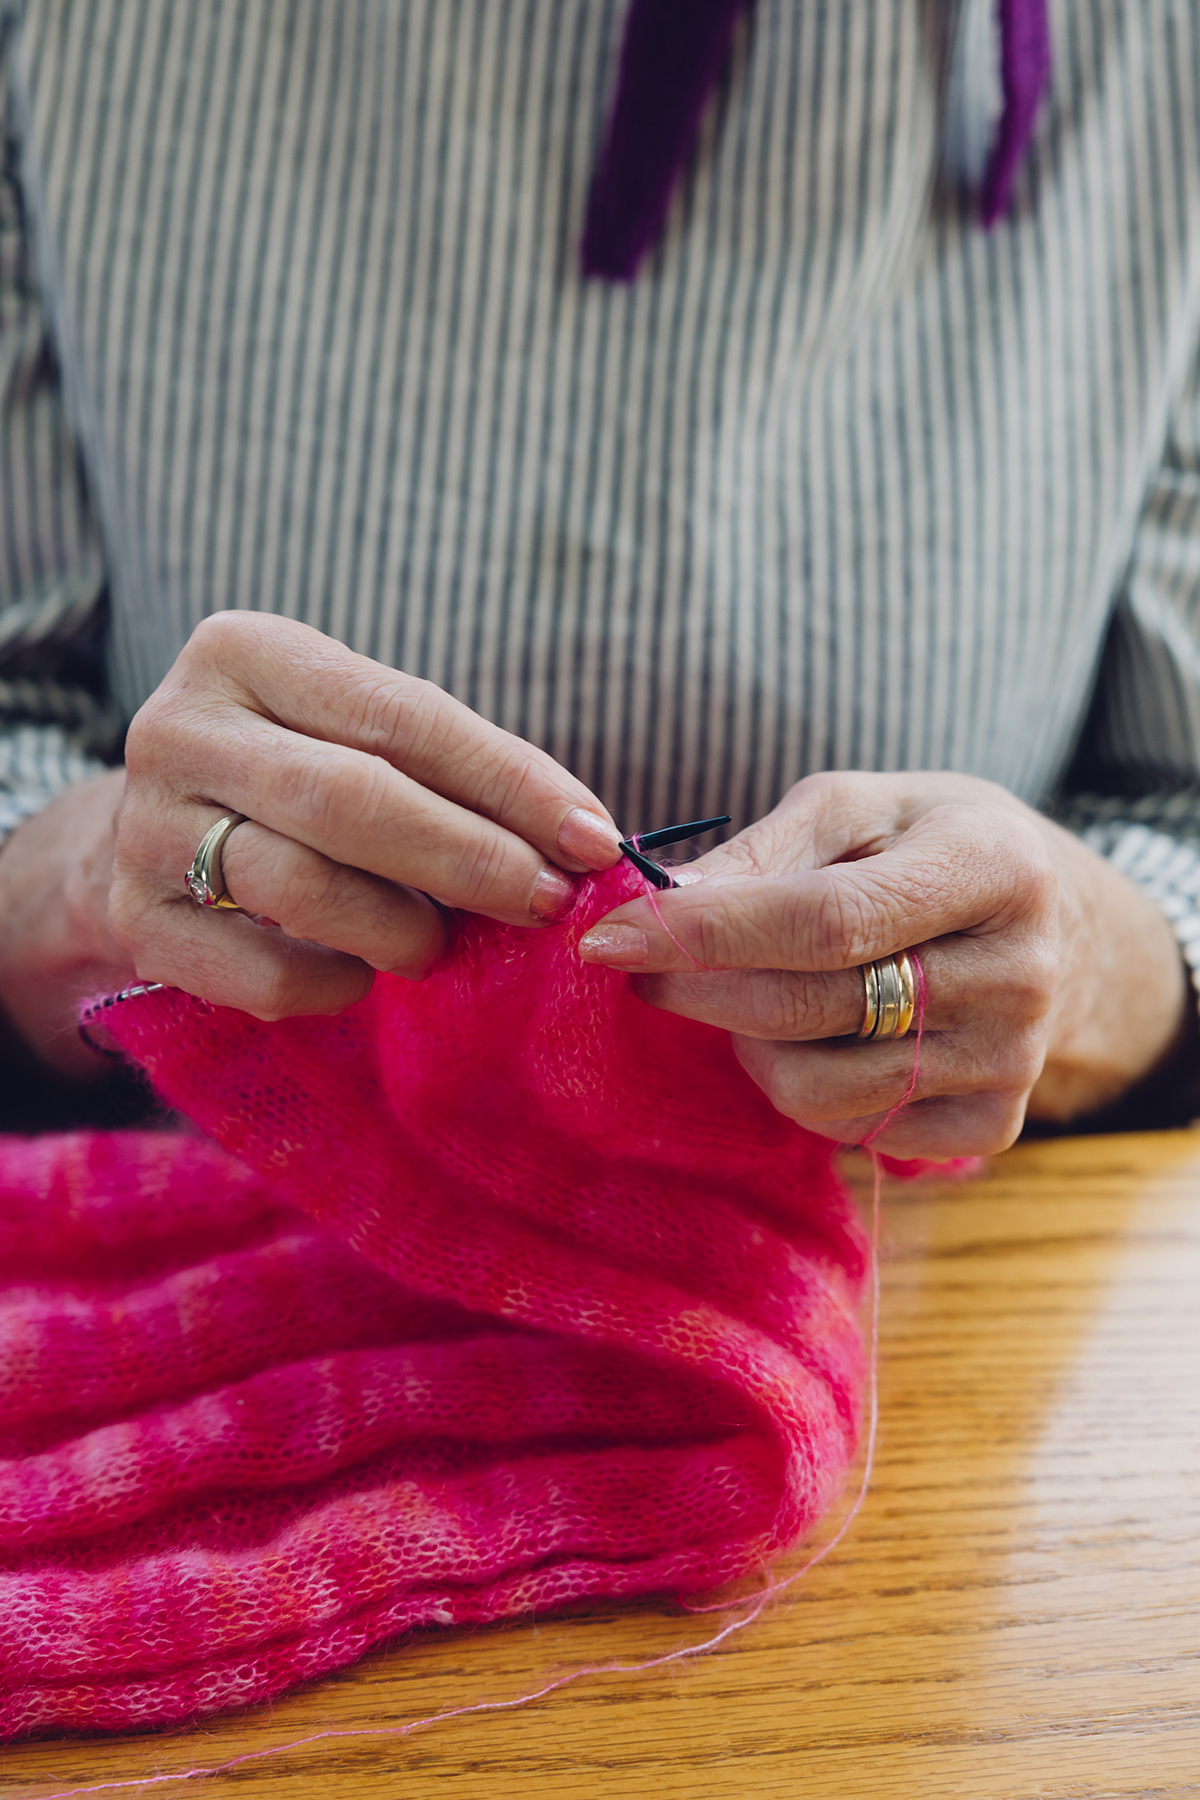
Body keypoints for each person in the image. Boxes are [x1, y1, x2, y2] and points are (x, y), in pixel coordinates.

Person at [0, 0, 1198, 1162]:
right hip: (203, 1205)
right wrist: (94, 879)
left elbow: (1181, 820)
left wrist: (1088, 959)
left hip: (961, 1256)